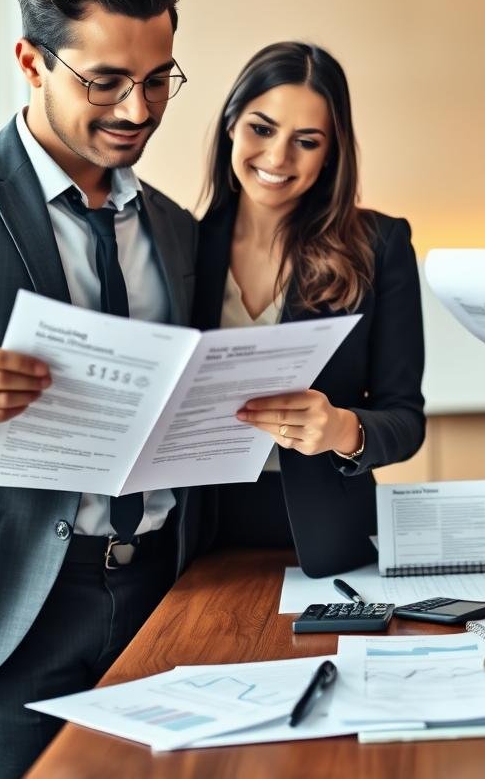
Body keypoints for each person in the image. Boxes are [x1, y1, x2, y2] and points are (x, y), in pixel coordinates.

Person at [0, 0, 213, 778]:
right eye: (106, 81)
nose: (138, 110)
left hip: (163, 591)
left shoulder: (174, 227)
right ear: (30, 60)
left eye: (159, 80)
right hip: (6, 613)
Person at [193, 41, 425, 577]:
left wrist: (342, 429)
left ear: (331, 153)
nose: (277, 158)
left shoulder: (379, 246)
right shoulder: (177, 244)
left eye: (307, 141)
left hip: (324, 541)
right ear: (231, 123)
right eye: (261, 128)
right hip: (195, 539)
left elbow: (406, 419)